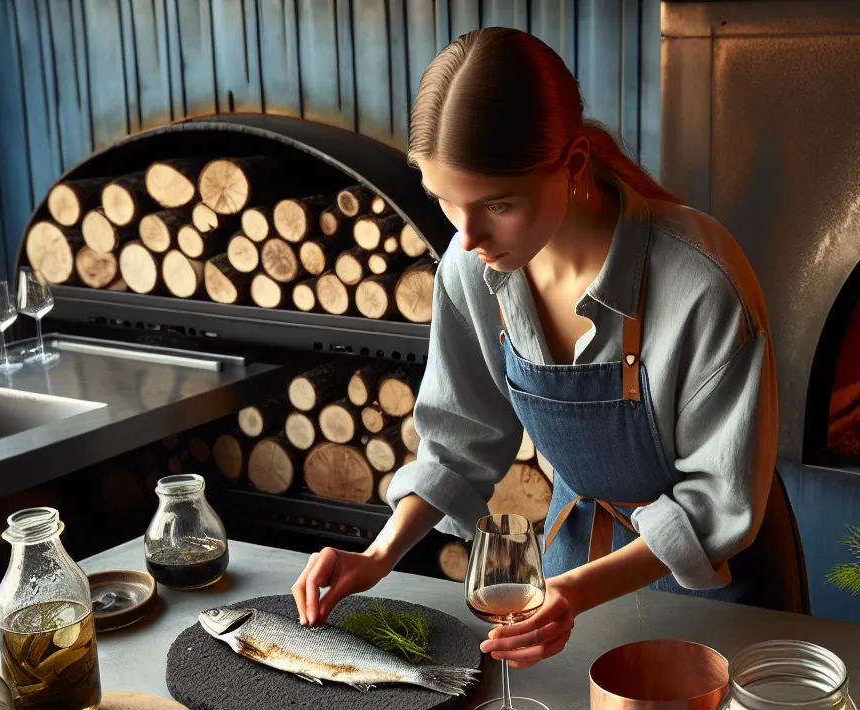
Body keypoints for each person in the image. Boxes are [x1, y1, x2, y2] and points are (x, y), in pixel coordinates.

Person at [292, 26, 790, 670]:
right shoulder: (472, 268)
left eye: (497, 205)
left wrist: (575, 593)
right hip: (567, 573)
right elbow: (460, 439)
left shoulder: (703, 282)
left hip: (710, 587)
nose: (467, 236)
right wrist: (378, 554)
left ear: (574, 164)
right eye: (445, 202)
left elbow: (717, 504)